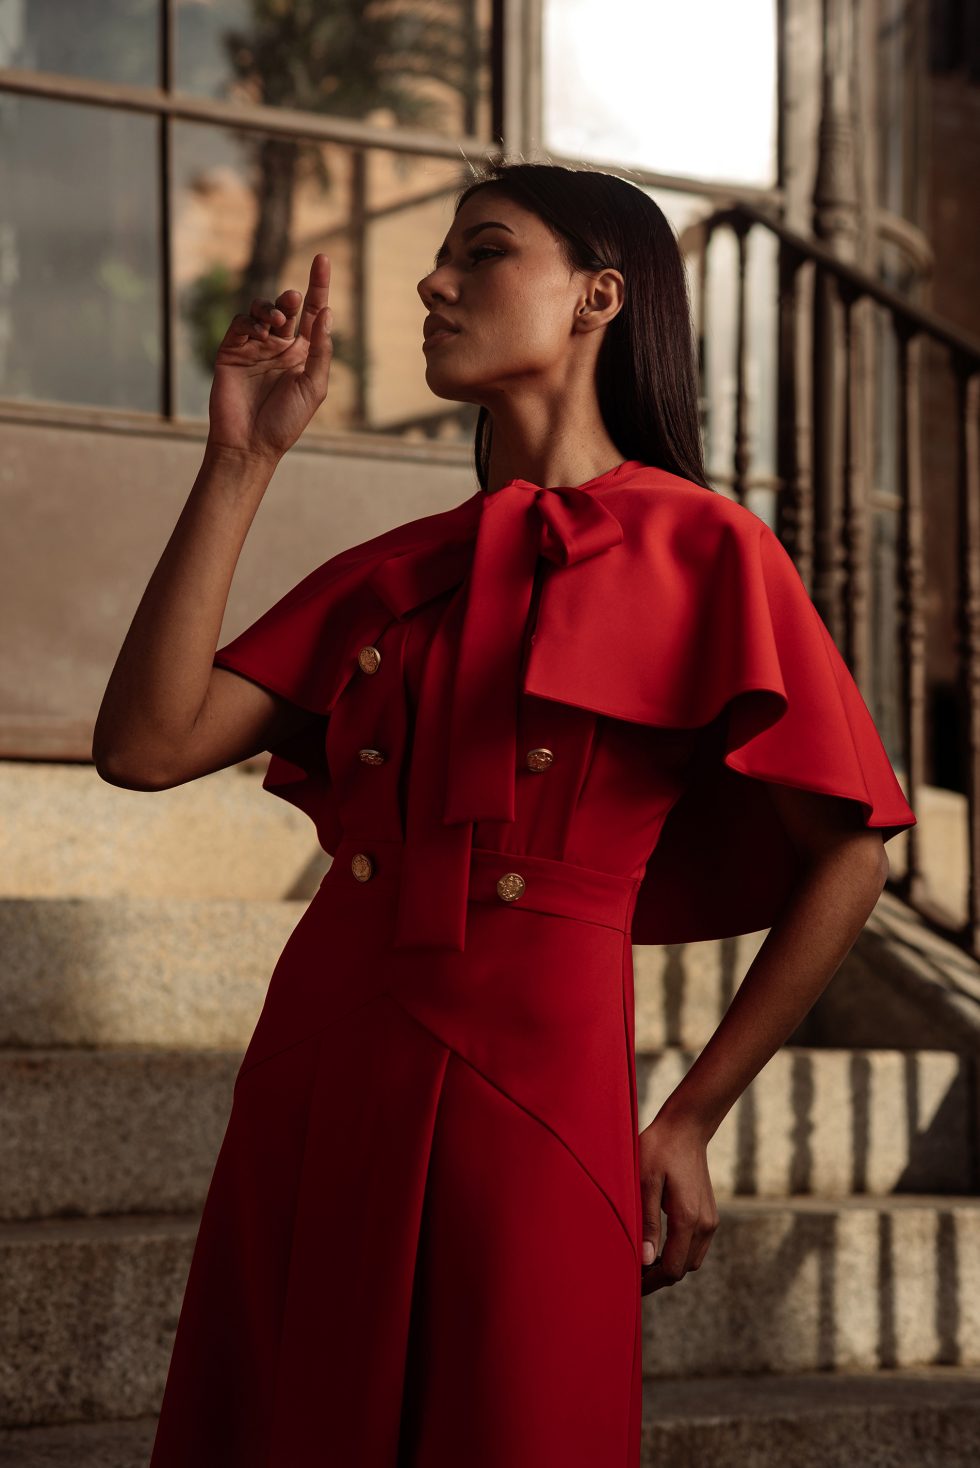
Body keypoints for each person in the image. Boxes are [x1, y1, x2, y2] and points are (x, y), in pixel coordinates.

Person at [93, 162, 916, 1468]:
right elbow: (143, 746)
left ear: (602, 295)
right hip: (323, 1053)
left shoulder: (706, 548)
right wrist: (241, 458)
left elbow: (851, 857)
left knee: (520, 1420)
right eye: (443, 258)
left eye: (481, 253)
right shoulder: (391, 572)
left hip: (536, 1082)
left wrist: (692, 1114)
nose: (434, 282)